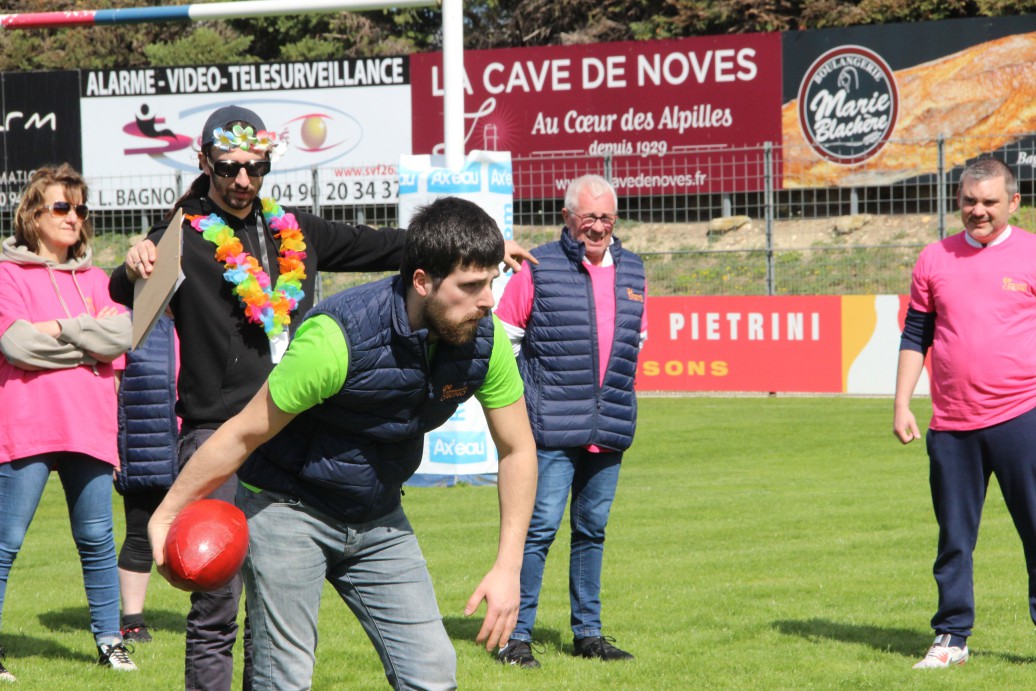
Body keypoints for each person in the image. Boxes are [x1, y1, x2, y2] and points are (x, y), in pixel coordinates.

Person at [108, 105, 532, 691]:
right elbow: (129, 291)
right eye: (230, 167)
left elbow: (386, 245)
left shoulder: (297, 230)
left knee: (409, 666)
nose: (243, 180)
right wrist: (135, 262)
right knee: (215, 608)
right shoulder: (183, 237)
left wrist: (475, 249)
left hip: (347, 471)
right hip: (236, 438)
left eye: (256, 167)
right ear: (205, 163)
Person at [494, 174, 646, 668]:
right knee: (538, 530)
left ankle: (589, 635)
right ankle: (515, 637)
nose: (598, 228)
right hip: (552, 428)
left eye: (606, 218)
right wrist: (524, 408)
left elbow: (634, 345)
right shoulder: (537, 268)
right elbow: (504, 342)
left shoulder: (635, 272)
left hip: (609, 428)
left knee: (592, 531)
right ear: (568, 219)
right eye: (589, 218)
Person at [893, 157, 1036, 669]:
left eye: (990, 202)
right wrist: (903, 403)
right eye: (969, 201)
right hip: (952, 423)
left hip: (1024, 417)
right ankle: (952, 636)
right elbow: (917, 335)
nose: (978, 211)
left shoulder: (1033, 255)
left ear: (1014, 203)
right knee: (954, 537)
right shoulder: (933, 259)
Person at [0, 164, 137, 681]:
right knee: (5, 539)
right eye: (62, 206)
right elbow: (16, 344)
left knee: (98, 539)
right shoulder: (6, 275)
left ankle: (109, 642)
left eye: (81, 209)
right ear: (33, 214)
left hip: (89, 426)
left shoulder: (96, 279)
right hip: (26, 423)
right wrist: (86, 343)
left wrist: (57, 329)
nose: (73, 217)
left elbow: (120, 336)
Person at [114, 313, 179, 644]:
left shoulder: (201, 321)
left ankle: (214, 612)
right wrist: (112, 446)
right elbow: (112, 386)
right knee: (140, 534)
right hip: (144, 447)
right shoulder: (130, 322)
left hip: (197, 447)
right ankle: (132, 621)